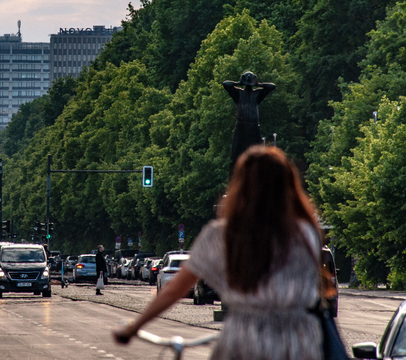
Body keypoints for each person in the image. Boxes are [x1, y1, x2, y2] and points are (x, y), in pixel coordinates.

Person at [113, 146, 324, 360]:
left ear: (241, 185)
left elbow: (174, 289)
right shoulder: (306, 233)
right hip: (300, 344)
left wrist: (134, 327)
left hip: (243, 343)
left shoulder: (221, 235)